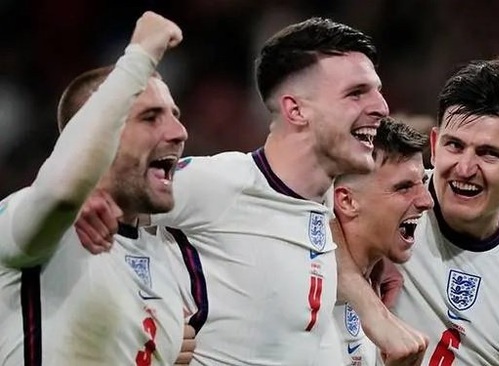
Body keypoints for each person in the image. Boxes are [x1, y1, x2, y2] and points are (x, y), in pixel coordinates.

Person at [76, 16, 428, 365]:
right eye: (356, 93)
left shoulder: (321, 205)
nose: (381, 107)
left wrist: (367, 298)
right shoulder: (221, 184)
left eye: (377, 91)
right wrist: (144, 320)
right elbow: (95, 202)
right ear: (296, 109)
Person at [339, 57, 499, 365]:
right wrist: (367, 304)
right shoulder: (388, 199)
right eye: (454, 146)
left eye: (488, 153)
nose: (465, 168)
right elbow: (302, 213)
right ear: (435, 144)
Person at [0, 11, 191, 365]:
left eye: (174, 114)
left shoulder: (164, 259)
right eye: (150, 117)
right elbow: (59, 192)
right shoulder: (30, 223)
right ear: (99, 136)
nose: (179, 133)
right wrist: (139, 54)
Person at [328, 116, 433, 366]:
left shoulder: (375, 284)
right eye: (404, 187)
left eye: (423, 182)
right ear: (347, 202)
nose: (426, 201)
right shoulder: (301, 287)